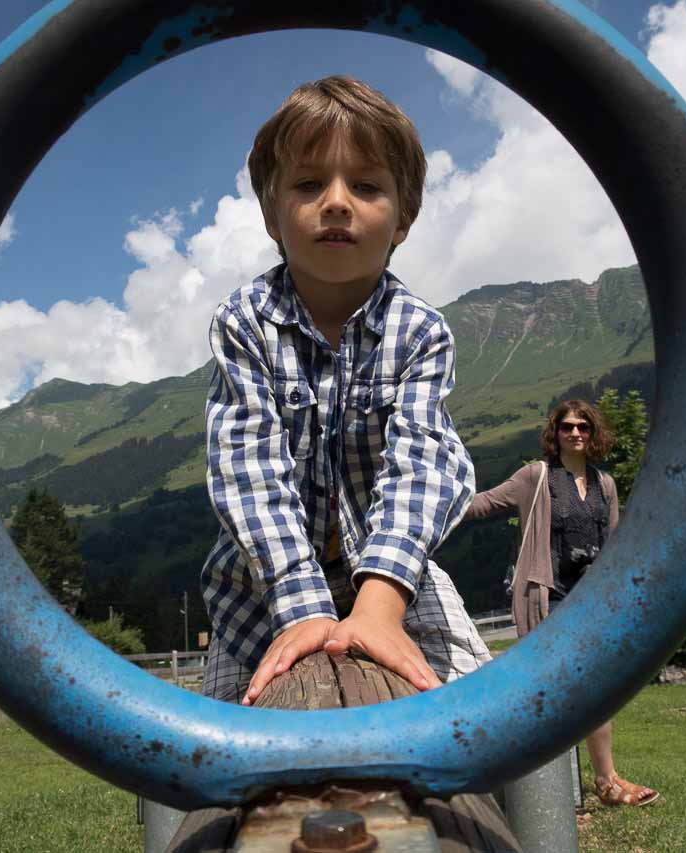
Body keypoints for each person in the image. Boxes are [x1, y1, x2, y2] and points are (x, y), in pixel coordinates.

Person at [200, 76, 490, 706]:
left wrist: (382, 604)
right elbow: (248, 470)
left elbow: (426, 465)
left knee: (494, 712)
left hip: (393, 578)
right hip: (260, 590)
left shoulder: (420, 333)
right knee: (208, 750)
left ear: (404, 218)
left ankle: (541, 800)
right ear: (271, 213)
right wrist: (302, 610)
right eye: (308, 185)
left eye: (366, 185)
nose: (336, 202)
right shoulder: (243, 323)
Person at [466, 400, 660, 807]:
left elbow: (614, 547)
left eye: (584, 427)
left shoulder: (605, 484)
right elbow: (483, 503)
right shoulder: (536, 477)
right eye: (568, 426)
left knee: (595, 690)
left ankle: (601, 783)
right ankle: (544, 790)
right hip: (547, 597)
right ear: (554, 433)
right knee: (552, 692)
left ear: (593, 433)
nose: (576, 433)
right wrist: (429, 503)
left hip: (590, 602)